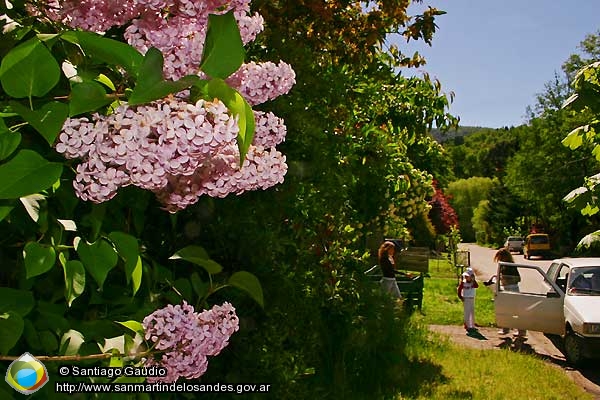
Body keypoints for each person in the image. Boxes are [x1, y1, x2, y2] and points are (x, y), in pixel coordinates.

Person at [492, 247, 526, 337]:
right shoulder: (507, 265)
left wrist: (503, 279)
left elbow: (517, 279)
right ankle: (508, 328)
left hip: (511, 289)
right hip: (508, 288)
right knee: (508, 310)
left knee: (514, 310)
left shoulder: (509, 266)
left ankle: (520, 330)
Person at [457, 268, 478, 333]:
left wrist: (473, 280)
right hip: (466, 298)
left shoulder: (473, 283)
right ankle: (467, 325)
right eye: (465, 276)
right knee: (467, 312)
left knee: (472, 312)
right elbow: (459, 289)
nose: (466, 277)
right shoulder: (463, 282)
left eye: (468, 276)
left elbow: (476, 286)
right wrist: (460, 296)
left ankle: (472, 325)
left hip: (472, 298)